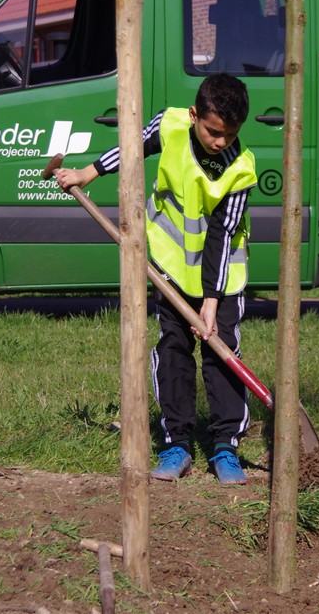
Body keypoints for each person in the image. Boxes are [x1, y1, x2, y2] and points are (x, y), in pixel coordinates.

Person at [55, 73, 256, 485]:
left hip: (222, 278)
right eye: (213, 131)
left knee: (221, 355)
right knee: (173, 349)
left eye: (231, 134)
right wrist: (87, 173)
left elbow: (221, 236)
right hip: (171, 266)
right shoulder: (170, 125)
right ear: (194, 115)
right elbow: (132, 149)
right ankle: (177, 443)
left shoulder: (241, 170)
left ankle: (225, 447)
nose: (221, 142)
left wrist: (211, 301)